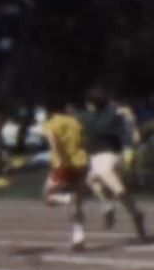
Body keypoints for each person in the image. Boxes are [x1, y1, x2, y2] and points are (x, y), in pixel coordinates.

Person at [81, 88, 148, 241]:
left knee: (116, 188)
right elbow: (126, 112)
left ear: (91, 103)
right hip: (103, 157)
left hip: (106, 157)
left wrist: (134, 130)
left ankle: (133, 212)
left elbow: (125, 113)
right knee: (94, 182)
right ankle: (112, 207)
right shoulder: (95, 115)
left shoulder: (105, 114)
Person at [41, 102, 92, 252]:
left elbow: (53, 142)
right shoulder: (75, 122)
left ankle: (66, 198)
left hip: (64, 165)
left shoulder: (51, 124)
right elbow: (84, 141)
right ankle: (79, 237)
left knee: (47, 196)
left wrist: (60, 158)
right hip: (81, 163)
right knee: (78, 203)